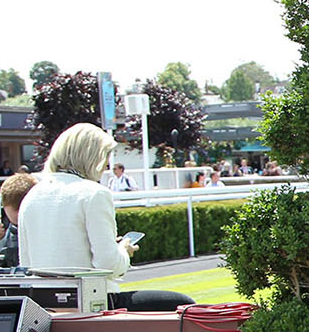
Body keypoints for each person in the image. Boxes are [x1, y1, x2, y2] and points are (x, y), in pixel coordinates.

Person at [20, 123, 191, 310]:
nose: (106, 166)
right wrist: (124, 250)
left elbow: (26, 264)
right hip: (93, 301)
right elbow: (109, 265)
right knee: (184, 305)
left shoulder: (32, 195)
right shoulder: (94, 193)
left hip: (45, 305)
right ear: (93, 157)